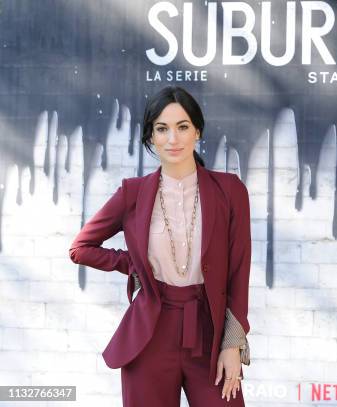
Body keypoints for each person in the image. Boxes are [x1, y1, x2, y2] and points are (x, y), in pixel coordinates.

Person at [68, 85, 251, 406]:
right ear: (151, 137)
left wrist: (232, 344)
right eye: (162, 129)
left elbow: (239, 270)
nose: (172, 138)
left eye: (182, 127)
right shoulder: (132, 192)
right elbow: (81, 247)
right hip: (150, 334)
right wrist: (136, 264)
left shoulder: (230, 190)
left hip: (208, 332)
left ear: (197, 131)